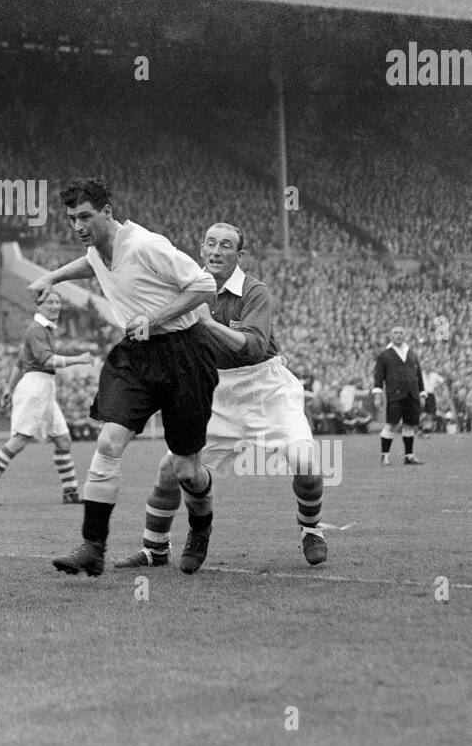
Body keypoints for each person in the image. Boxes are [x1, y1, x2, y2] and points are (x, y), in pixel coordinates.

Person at [29, 179, 218, 578]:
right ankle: (92, 547)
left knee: (187, 469)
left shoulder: (147, 245)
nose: (78, 226)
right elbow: (90, 262)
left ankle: (200, 529)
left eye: (85, 217)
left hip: (184, 352)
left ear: (108, 212)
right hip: (135, 354)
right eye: (71, 219)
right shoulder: (99, 249)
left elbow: (204, 285)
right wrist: (52, 277)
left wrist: (155, 317)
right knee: (109, 440)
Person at [115, 222, 327, 569]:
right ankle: (158, 549)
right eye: (210, 243)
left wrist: (208, 324)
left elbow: (255, 347)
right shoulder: (183, 288)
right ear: (200, 249)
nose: (216, 251)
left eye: (226, 245)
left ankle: (311, 529)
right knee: (172, 470)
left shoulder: (254, 291)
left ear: (240, 255)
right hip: (214, 388)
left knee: (304, 460)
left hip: (264, 386)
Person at [0, 289, 94, 506]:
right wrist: (79, 360)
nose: (55, 306)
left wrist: (8, 389)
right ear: (40, 306)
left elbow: (20, 362)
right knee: (19, 441)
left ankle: (70, 492)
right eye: (50, 302)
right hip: (35, 388)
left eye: (57, 301)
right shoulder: (36, 330)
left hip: (44, 387)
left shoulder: (43, 329)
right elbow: (47, 361)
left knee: (63, 439)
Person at [373, 326, 426, 466]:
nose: (398, 335)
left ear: (405, 335)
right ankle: (385, 456)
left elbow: (418, 375)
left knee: (409, 425)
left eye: (401, 333)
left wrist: (422, 393)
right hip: (395, 394)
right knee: (391, 424)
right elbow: (378, 376)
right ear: (391, 335)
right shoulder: (384, 355)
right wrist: (377, 394)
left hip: (412, 394)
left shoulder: (412, 353)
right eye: (395, 333)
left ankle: (409, 456)